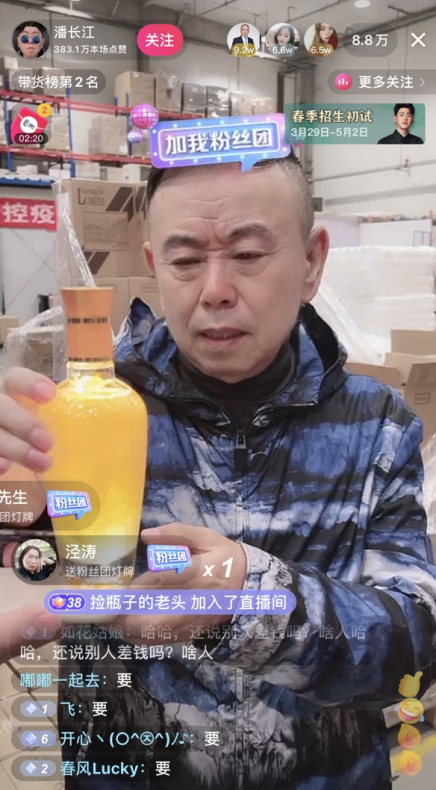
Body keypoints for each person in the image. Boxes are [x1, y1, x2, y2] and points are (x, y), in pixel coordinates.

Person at [0, 153, 436, 789]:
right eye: (184, 260)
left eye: (248, 254)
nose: (214, 290)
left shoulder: (377, 427)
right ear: (154, 265)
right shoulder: (79, 419)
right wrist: (15, 505)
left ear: (312, 262)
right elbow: (32, 560)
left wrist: (252, 604)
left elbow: (415, 648)